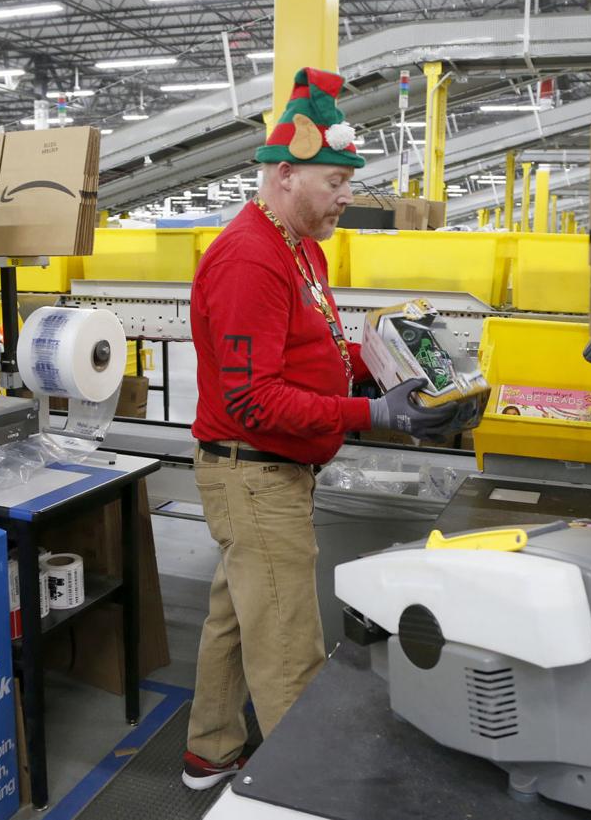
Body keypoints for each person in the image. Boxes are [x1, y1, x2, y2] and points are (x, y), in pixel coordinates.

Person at [181, 67, 460, 790]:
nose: (347, 194)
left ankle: (209, 748)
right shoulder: (249, 258)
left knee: (238, 617)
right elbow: (254, 401)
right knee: (286, 649)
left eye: (347, 179)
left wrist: (373, 375)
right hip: (255, 469)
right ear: (282, 176)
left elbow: (311, 351)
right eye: (334, 179)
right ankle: (302, 791)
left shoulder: (302, 246)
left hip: (272, 469)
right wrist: (372, 414)